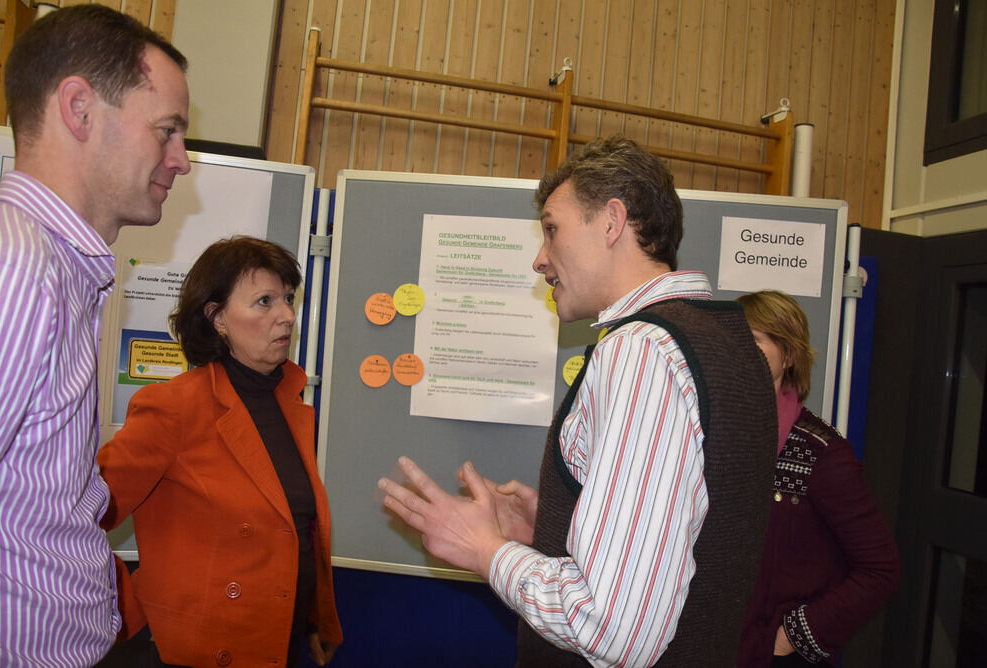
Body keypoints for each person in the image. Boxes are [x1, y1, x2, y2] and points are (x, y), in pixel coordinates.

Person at [378, 135, 777, 666]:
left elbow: (613, 629)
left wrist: (485, 550)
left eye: (551, 229)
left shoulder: (644, 351)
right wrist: (554, 529)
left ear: (612, 222)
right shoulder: (728, 342)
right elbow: (689, 531)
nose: (540, 260)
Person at [0, 5, 190, 665]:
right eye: (167, 131)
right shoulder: (15, 264)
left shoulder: (59, 265)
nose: (181, 161)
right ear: (79, 108)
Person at [97, 237, 342, 667]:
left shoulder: (291, 404)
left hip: (276, 642)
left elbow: (297, 530)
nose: (287, 315)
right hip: (200, 650)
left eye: (287, 298)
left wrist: (315, 618)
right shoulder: (172, 407)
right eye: (264, 301)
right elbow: (73, 515)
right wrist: (124, 609)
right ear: (217, 318)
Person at [735, 290, 899, 666]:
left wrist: (787, 639)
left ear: (789, 355)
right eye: (733, 339)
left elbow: (880, 569)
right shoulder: (715, 433)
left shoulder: (822, 452)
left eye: (754, 340)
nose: (739, 350)